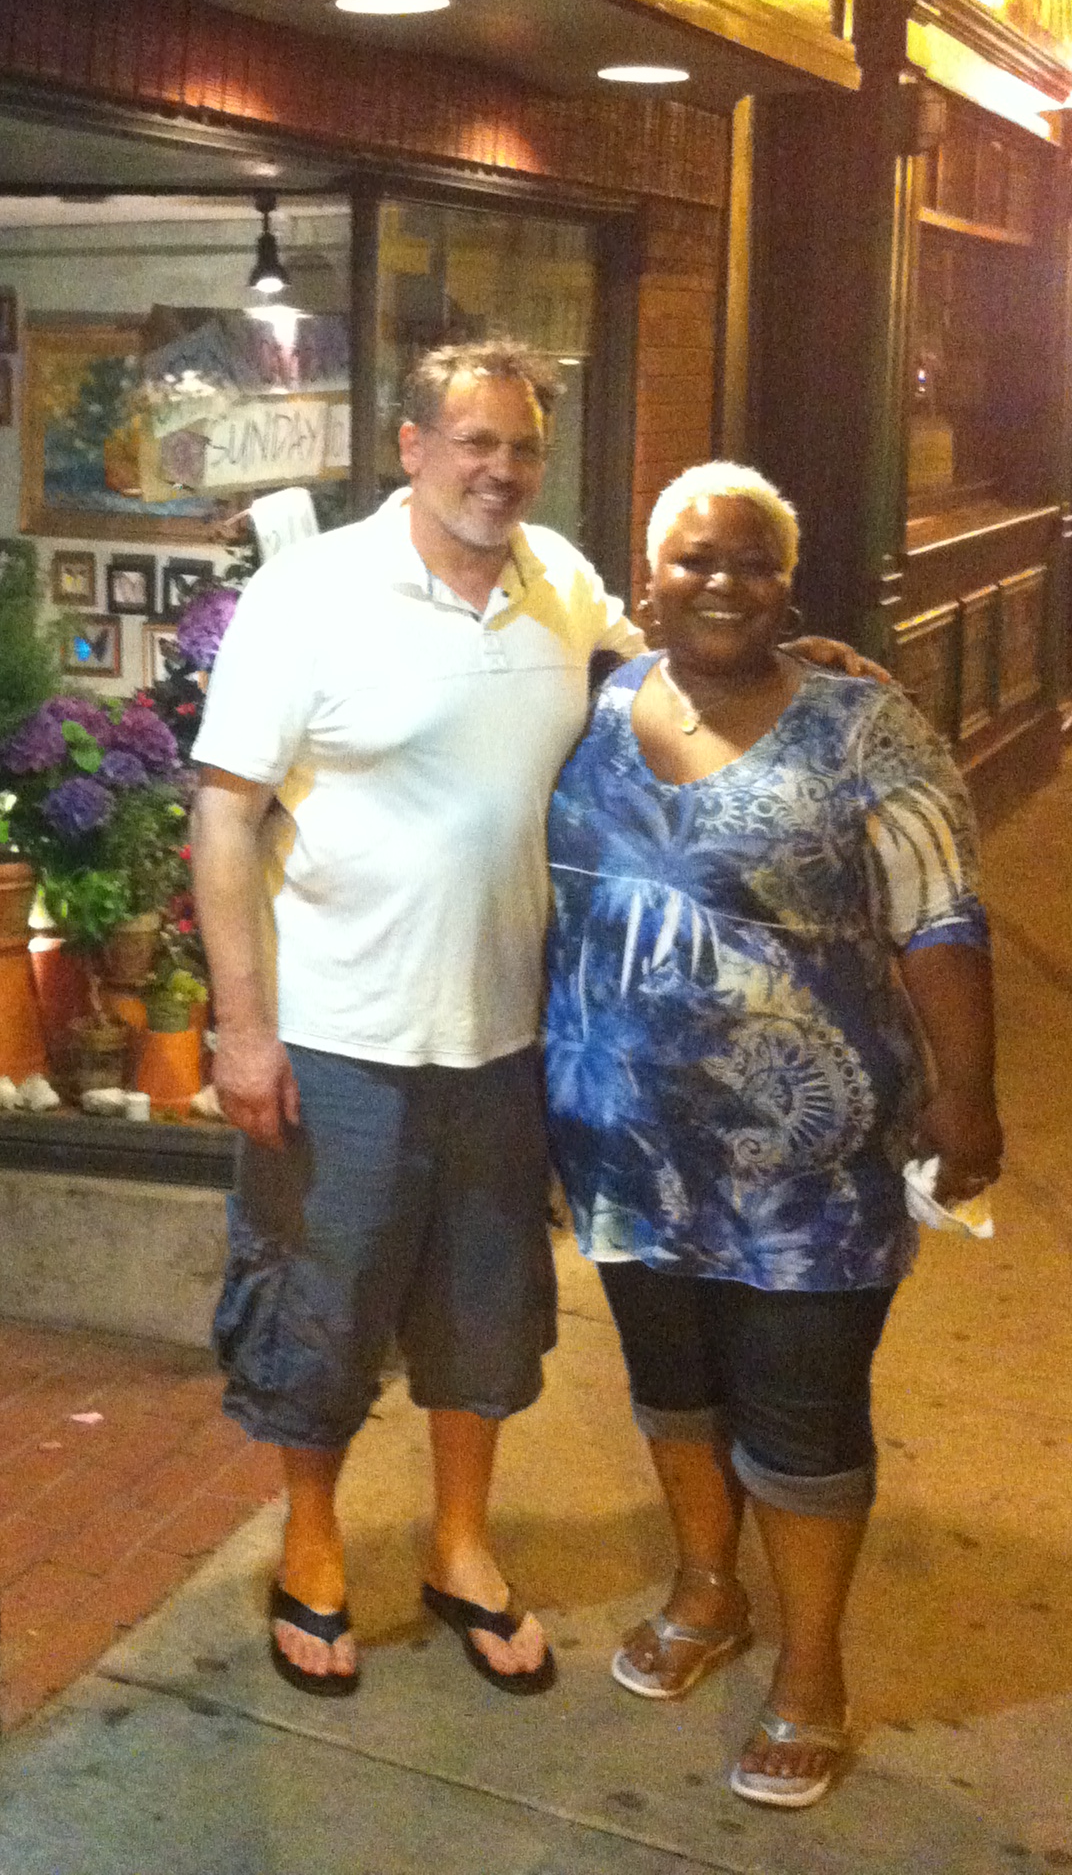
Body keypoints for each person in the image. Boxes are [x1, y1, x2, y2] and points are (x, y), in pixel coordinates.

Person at [544, 462, 1002, 1809]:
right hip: (624, 1140)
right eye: (694, 560)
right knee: (674, 1385)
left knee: (803, 1413)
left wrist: (968, 1093)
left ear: (789, 586)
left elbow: (939, 914)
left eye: (752, 562)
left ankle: (812, 1668)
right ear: (647, 580)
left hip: (812, 1167)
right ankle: (707, 1590)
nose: (723, 583)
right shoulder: (593, 706)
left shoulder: (865, 726)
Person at [191, 340, 641, 1697]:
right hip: (338, 1038)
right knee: (317, 1308)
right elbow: (224, 815)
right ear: (412, 446)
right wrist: (242, 1029)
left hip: (505, 1037)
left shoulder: (560, 582)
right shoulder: (313, 592)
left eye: (522, 447)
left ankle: (460, 1547)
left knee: (484, 1312)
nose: (500, 471)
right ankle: (313, 1545)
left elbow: (659, 675)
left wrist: (800, 668)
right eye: (474, 442)